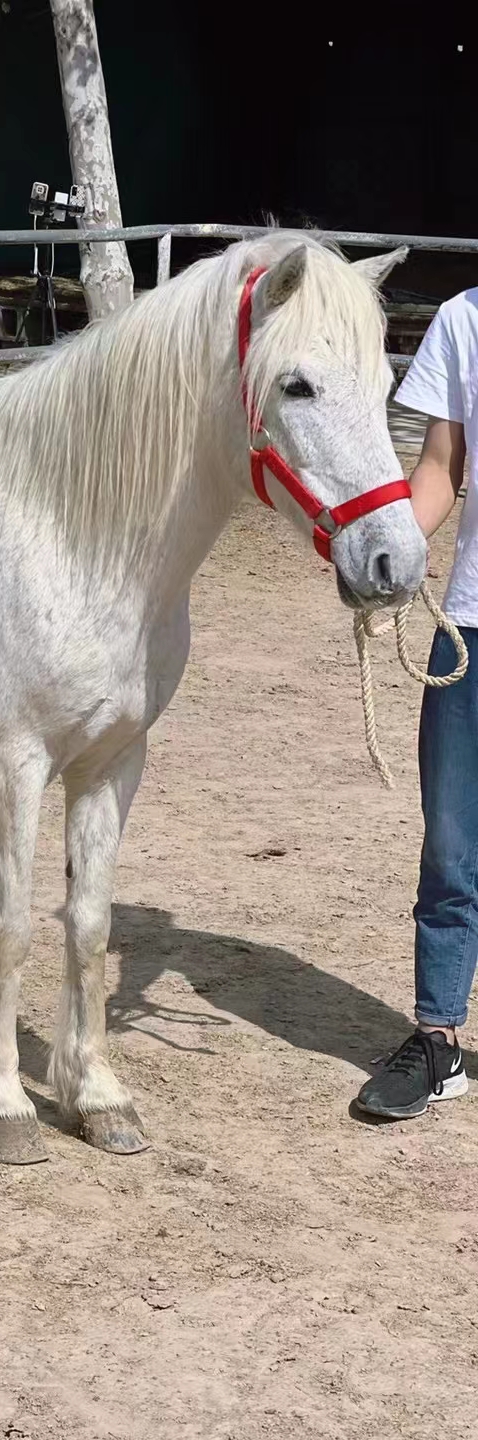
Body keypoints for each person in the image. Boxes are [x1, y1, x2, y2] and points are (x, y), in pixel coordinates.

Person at [356, 286, 478, 1119]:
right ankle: (438, 1040)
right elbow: (441, 466)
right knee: (452, 849)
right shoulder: (465, 318)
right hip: (472, 623)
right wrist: (395, 553)